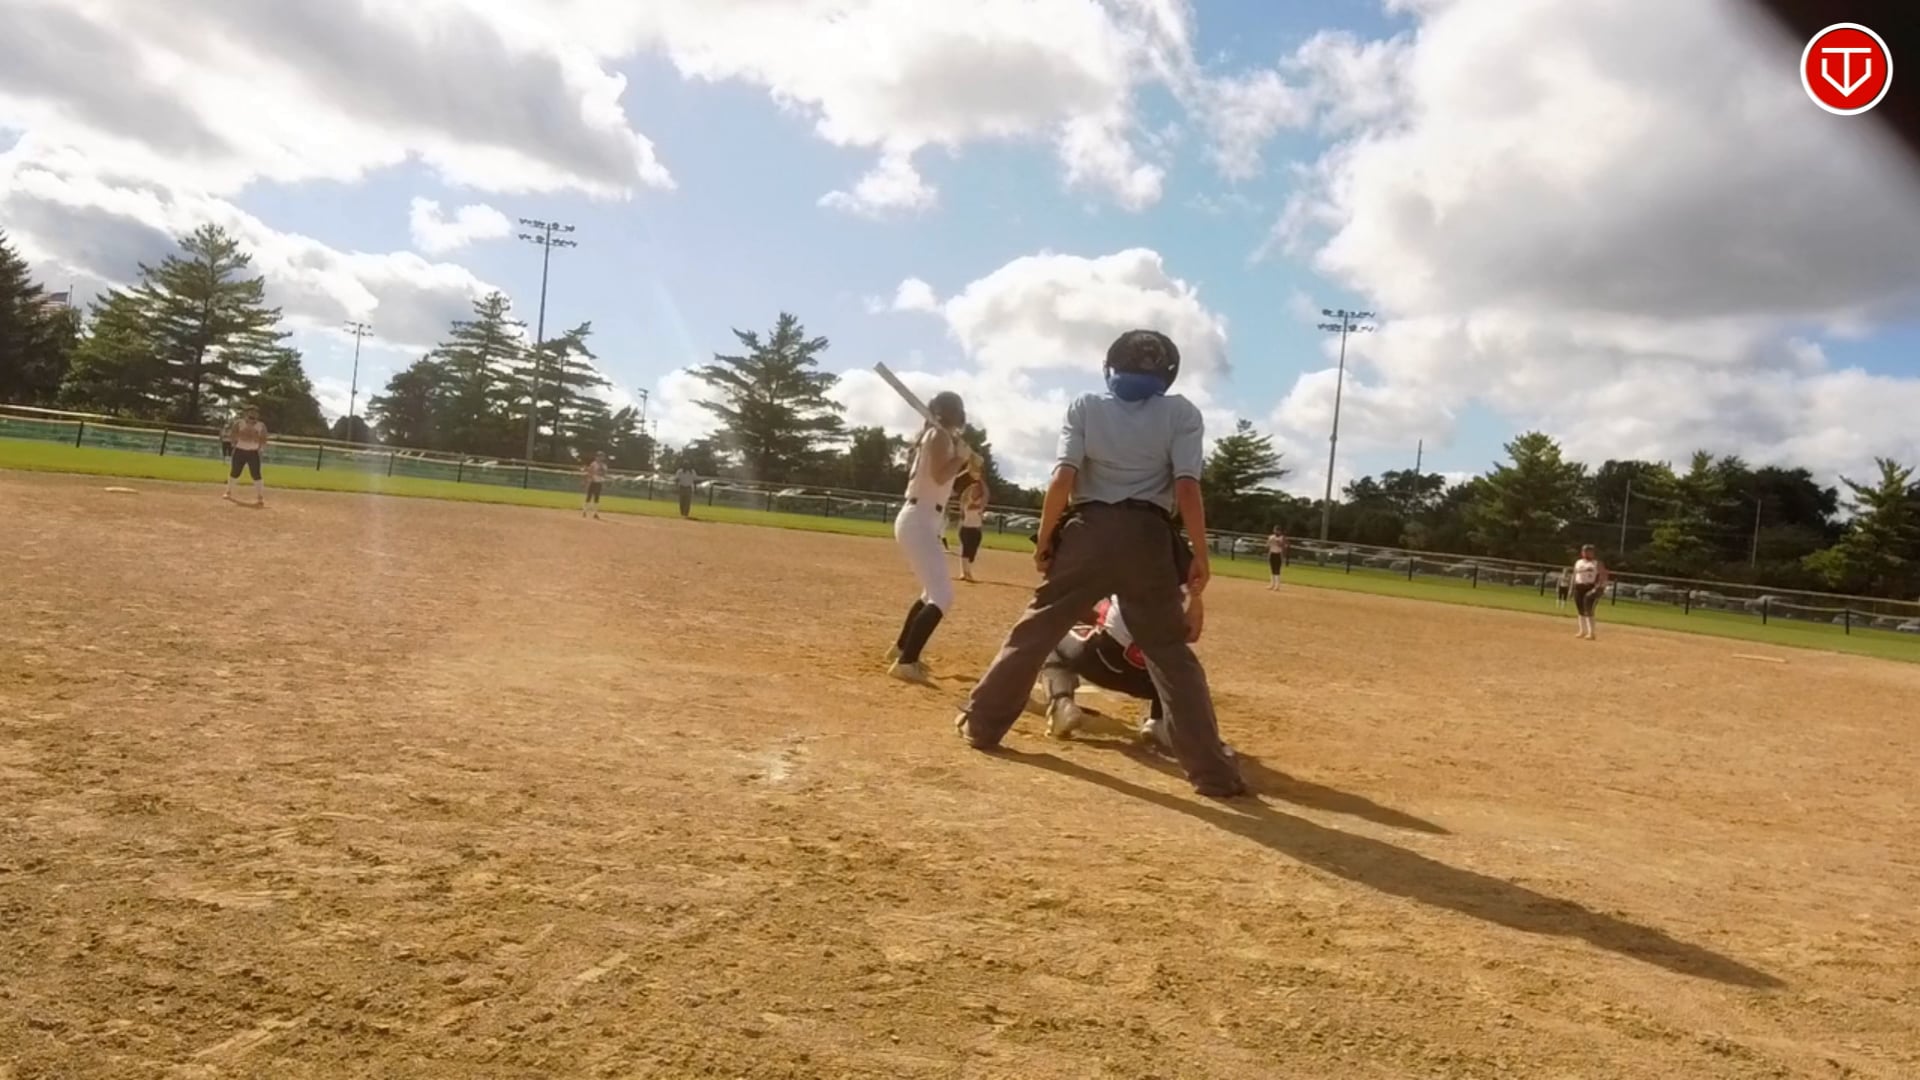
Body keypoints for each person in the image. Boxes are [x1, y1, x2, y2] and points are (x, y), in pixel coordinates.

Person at [955, 329, 1245, 800]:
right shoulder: (1182, 413)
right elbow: (1187, 488)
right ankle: (1212, 774)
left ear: (1111, 366)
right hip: (1149, 538)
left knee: (1036, 631)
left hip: (1087, 532)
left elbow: (1062, 479)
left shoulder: (1085, 407)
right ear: (1169, 372)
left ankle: (982, 724)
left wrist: (1045, 539)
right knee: (1171, 656)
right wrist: (1200, 554)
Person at [887, 391, 978, 685]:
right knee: (942, 596)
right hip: (919, 518)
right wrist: (961, 457)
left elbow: (942, 481)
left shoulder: (941, 437)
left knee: (930, 593)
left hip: (925, 518)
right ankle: (906, 663)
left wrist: (967, 466)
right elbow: (940, 476)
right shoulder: (938, 436)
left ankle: (901, 648)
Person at [223, 404, 269, 507]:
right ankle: (228, 491)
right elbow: (233, 434)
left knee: (256, 474)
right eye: (250, 412)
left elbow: (264, 438)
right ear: (246, 413)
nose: (253, 415)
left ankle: (260, 497)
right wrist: (236, 441)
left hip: (253, 452)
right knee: (235, 472)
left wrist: (260, 446)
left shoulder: (261, 425)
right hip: (239, 450)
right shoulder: (239, 423)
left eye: (255, 413)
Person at [1570, 543, 1609, 639]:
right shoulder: (1578, 562)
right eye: (1585, 551)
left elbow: (1603, 575)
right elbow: (1574, 575)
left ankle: (1591, 633)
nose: (1587, 553)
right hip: (1578, 587)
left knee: (1589, 609)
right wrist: (1571, 588)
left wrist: (1599, 588)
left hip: (1590, 587)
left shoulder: (1596, 563)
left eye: (1589, 551)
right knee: (1580, 610)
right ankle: (1582, 631)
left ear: (1593, 553)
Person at [956, 474, 989, 583]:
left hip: (976, 530)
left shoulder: (981, 502)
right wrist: (970, 486)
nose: (974, 491)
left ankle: (967, 570)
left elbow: (987, 493)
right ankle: (965, 573)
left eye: (976, 490)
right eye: (973, 490)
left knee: (972, 554)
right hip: (965, 529)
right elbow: (963, 496)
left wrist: (980, 480)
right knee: (965, 550)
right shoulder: (966, 500)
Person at [582, 451, 609, 519]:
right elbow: (590, 472)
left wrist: (603, 479)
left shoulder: (604, 466)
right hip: (593, 481)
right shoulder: (593, 464)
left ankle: (595, 513)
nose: (600, 458)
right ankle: (585, 511)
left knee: (597, 497)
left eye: (602, 456)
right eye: (599, 456)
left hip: (599, 482)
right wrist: (588, 480)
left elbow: (604, 474)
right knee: (589, 496)